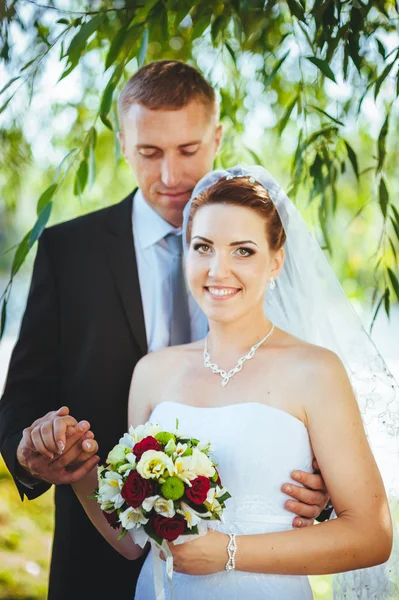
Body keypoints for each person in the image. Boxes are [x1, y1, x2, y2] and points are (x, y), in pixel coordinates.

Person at [0, 62, 329, 600]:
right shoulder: (68, 251)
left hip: (253, 560)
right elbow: (24, 395)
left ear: (217, 137)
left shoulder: (269, 254)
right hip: (99, 555)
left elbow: (306, 396)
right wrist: (33, 450)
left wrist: (320, 485)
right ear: (122, 143)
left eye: (189, 150)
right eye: (150, 152)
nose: (172, 176)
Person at [68, 166, 394, 599]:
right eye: (203, 247)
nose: (218, 270)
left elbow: (372, 536)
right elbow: (134, 541)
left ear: (276, 261)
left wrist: (231, 552)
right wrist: (77, 473)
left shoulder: (316, 371)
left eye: (243, 251)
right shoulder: (152, 372)